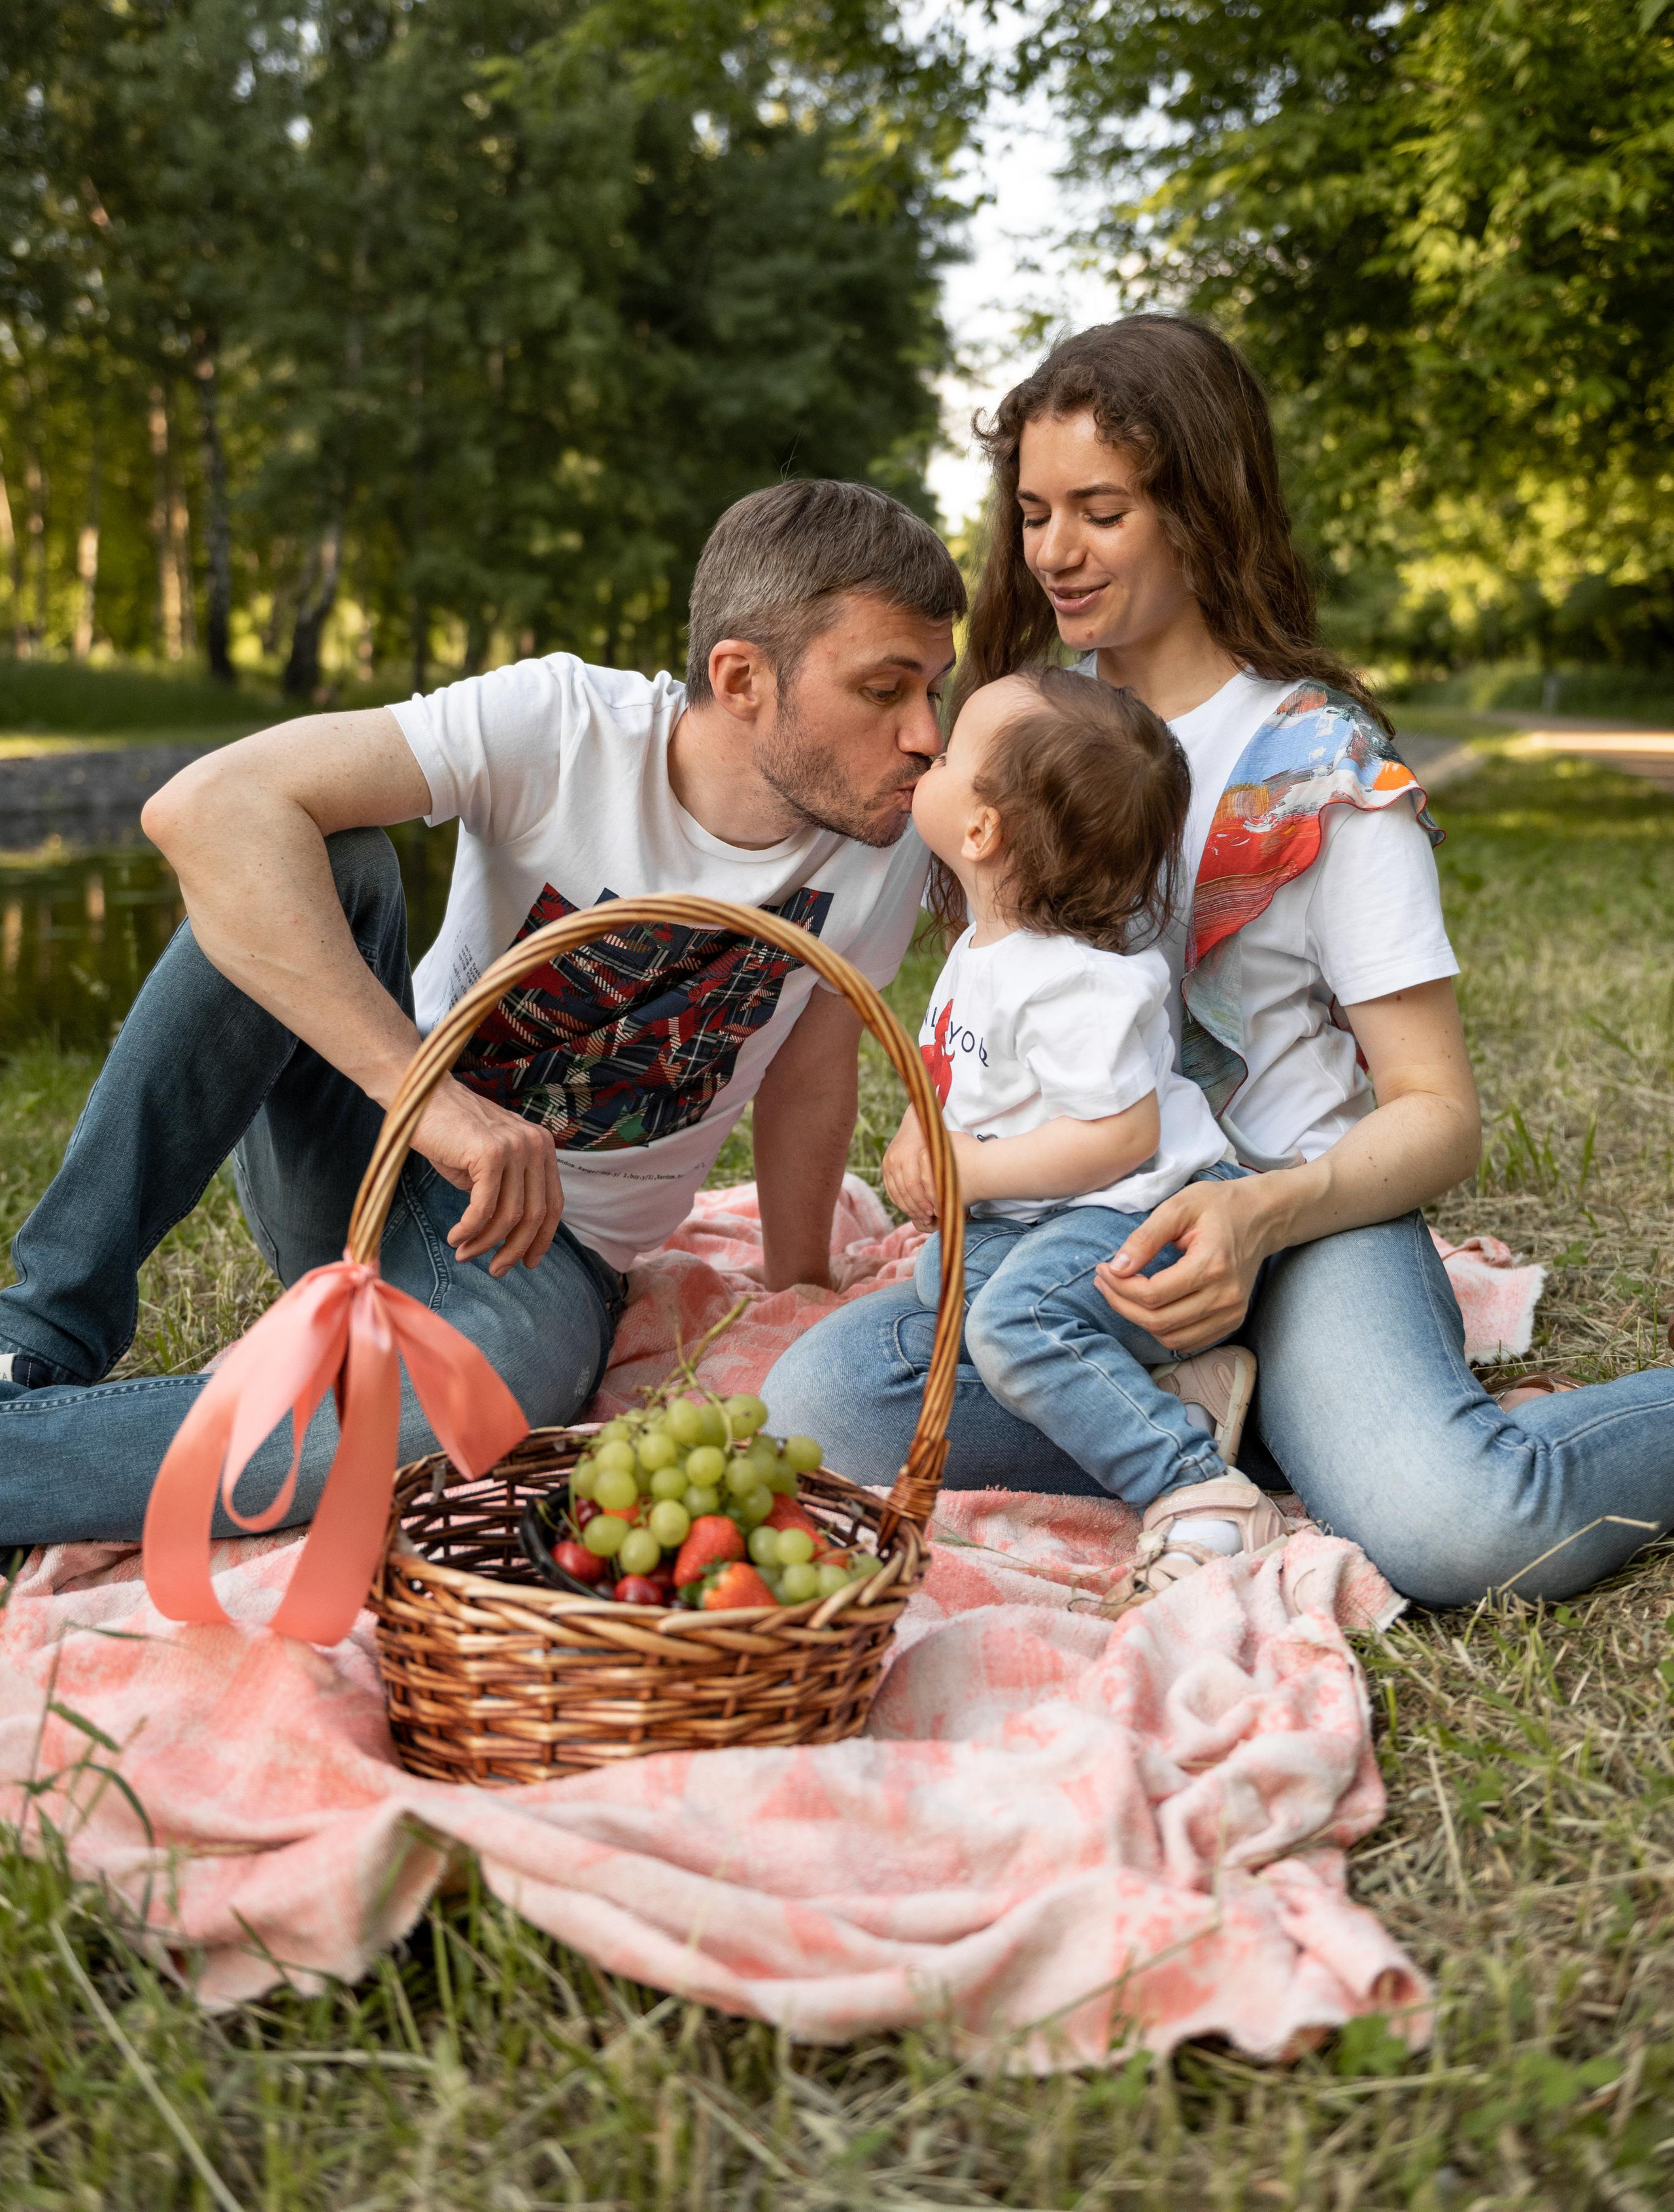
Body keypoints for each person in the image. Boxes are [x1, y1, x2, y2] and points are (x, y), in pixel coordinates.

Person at [764, 317, 1674, 1608]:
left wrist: (1255, 1218)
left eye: (1100, 508)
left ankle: (1329, 1423)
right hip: (1076, 1251)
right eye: (1032, 512)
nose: (1054, 551)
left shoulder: (1321, 770)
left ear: (1199, 506)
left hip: (1298, 1228)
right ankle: (1232, 1424)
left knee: (1456, 1529)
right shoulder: (1021, 733)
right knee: (822, 1409)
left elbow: (1437, 1115)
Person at [0, 479, 964, 1546]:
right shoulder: (562, 724)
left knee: (470, 1416)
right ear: (742, 677)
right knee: (310, 851)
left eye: (935, 689)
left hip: (548, 1250)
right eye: (887, 688)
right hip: (368, 1152)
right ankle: (37, 1338)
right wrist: (431, 1103)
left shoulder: (886, 846)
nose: (927, 734)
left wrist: (798, 1286)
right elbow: (202, 808)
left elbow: (808, 1068)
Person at [888, 664, 1291, 1599]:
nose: (926, 755)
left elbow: (1119, 1136)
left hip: (1141, 1212)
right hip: (1053, 1215)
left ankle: (1198, 1485)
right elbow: (947, 1062)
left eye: (946, 756)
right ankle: (1176, 1386)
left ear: (981, 830)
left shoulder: (1078, 981)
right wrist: (922, 1129)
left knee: (1013, 1320)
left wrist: (971, 1171)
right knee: (934, 1277)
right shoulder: (980, 949)